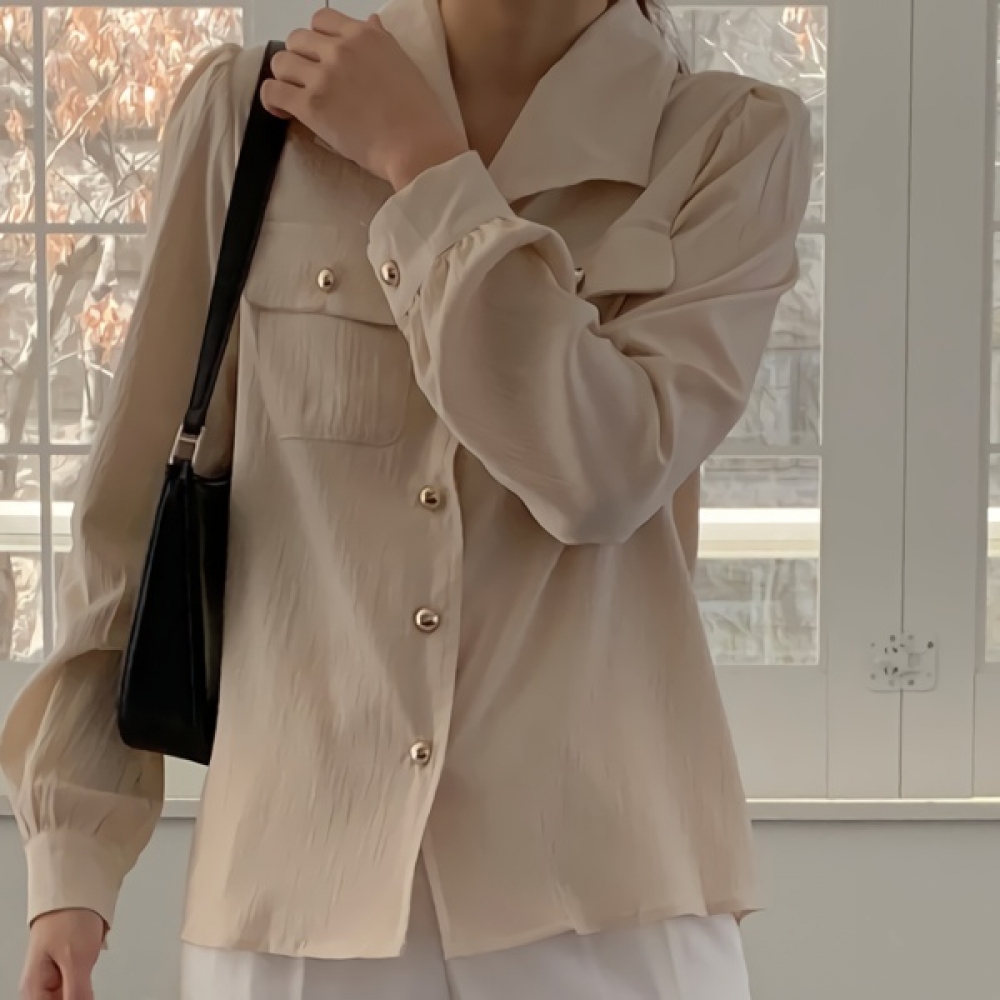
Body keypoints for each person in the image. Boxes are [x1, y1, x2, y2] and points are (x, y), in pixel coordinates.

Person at [1, 0, 812, 997]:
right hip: (293, 899)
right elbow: (129, 517)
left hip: (604, 902)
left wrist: (424, 168)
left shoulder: (728, 141)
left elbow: (605, 474)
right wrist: (73, 851)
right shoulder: (252, 113)